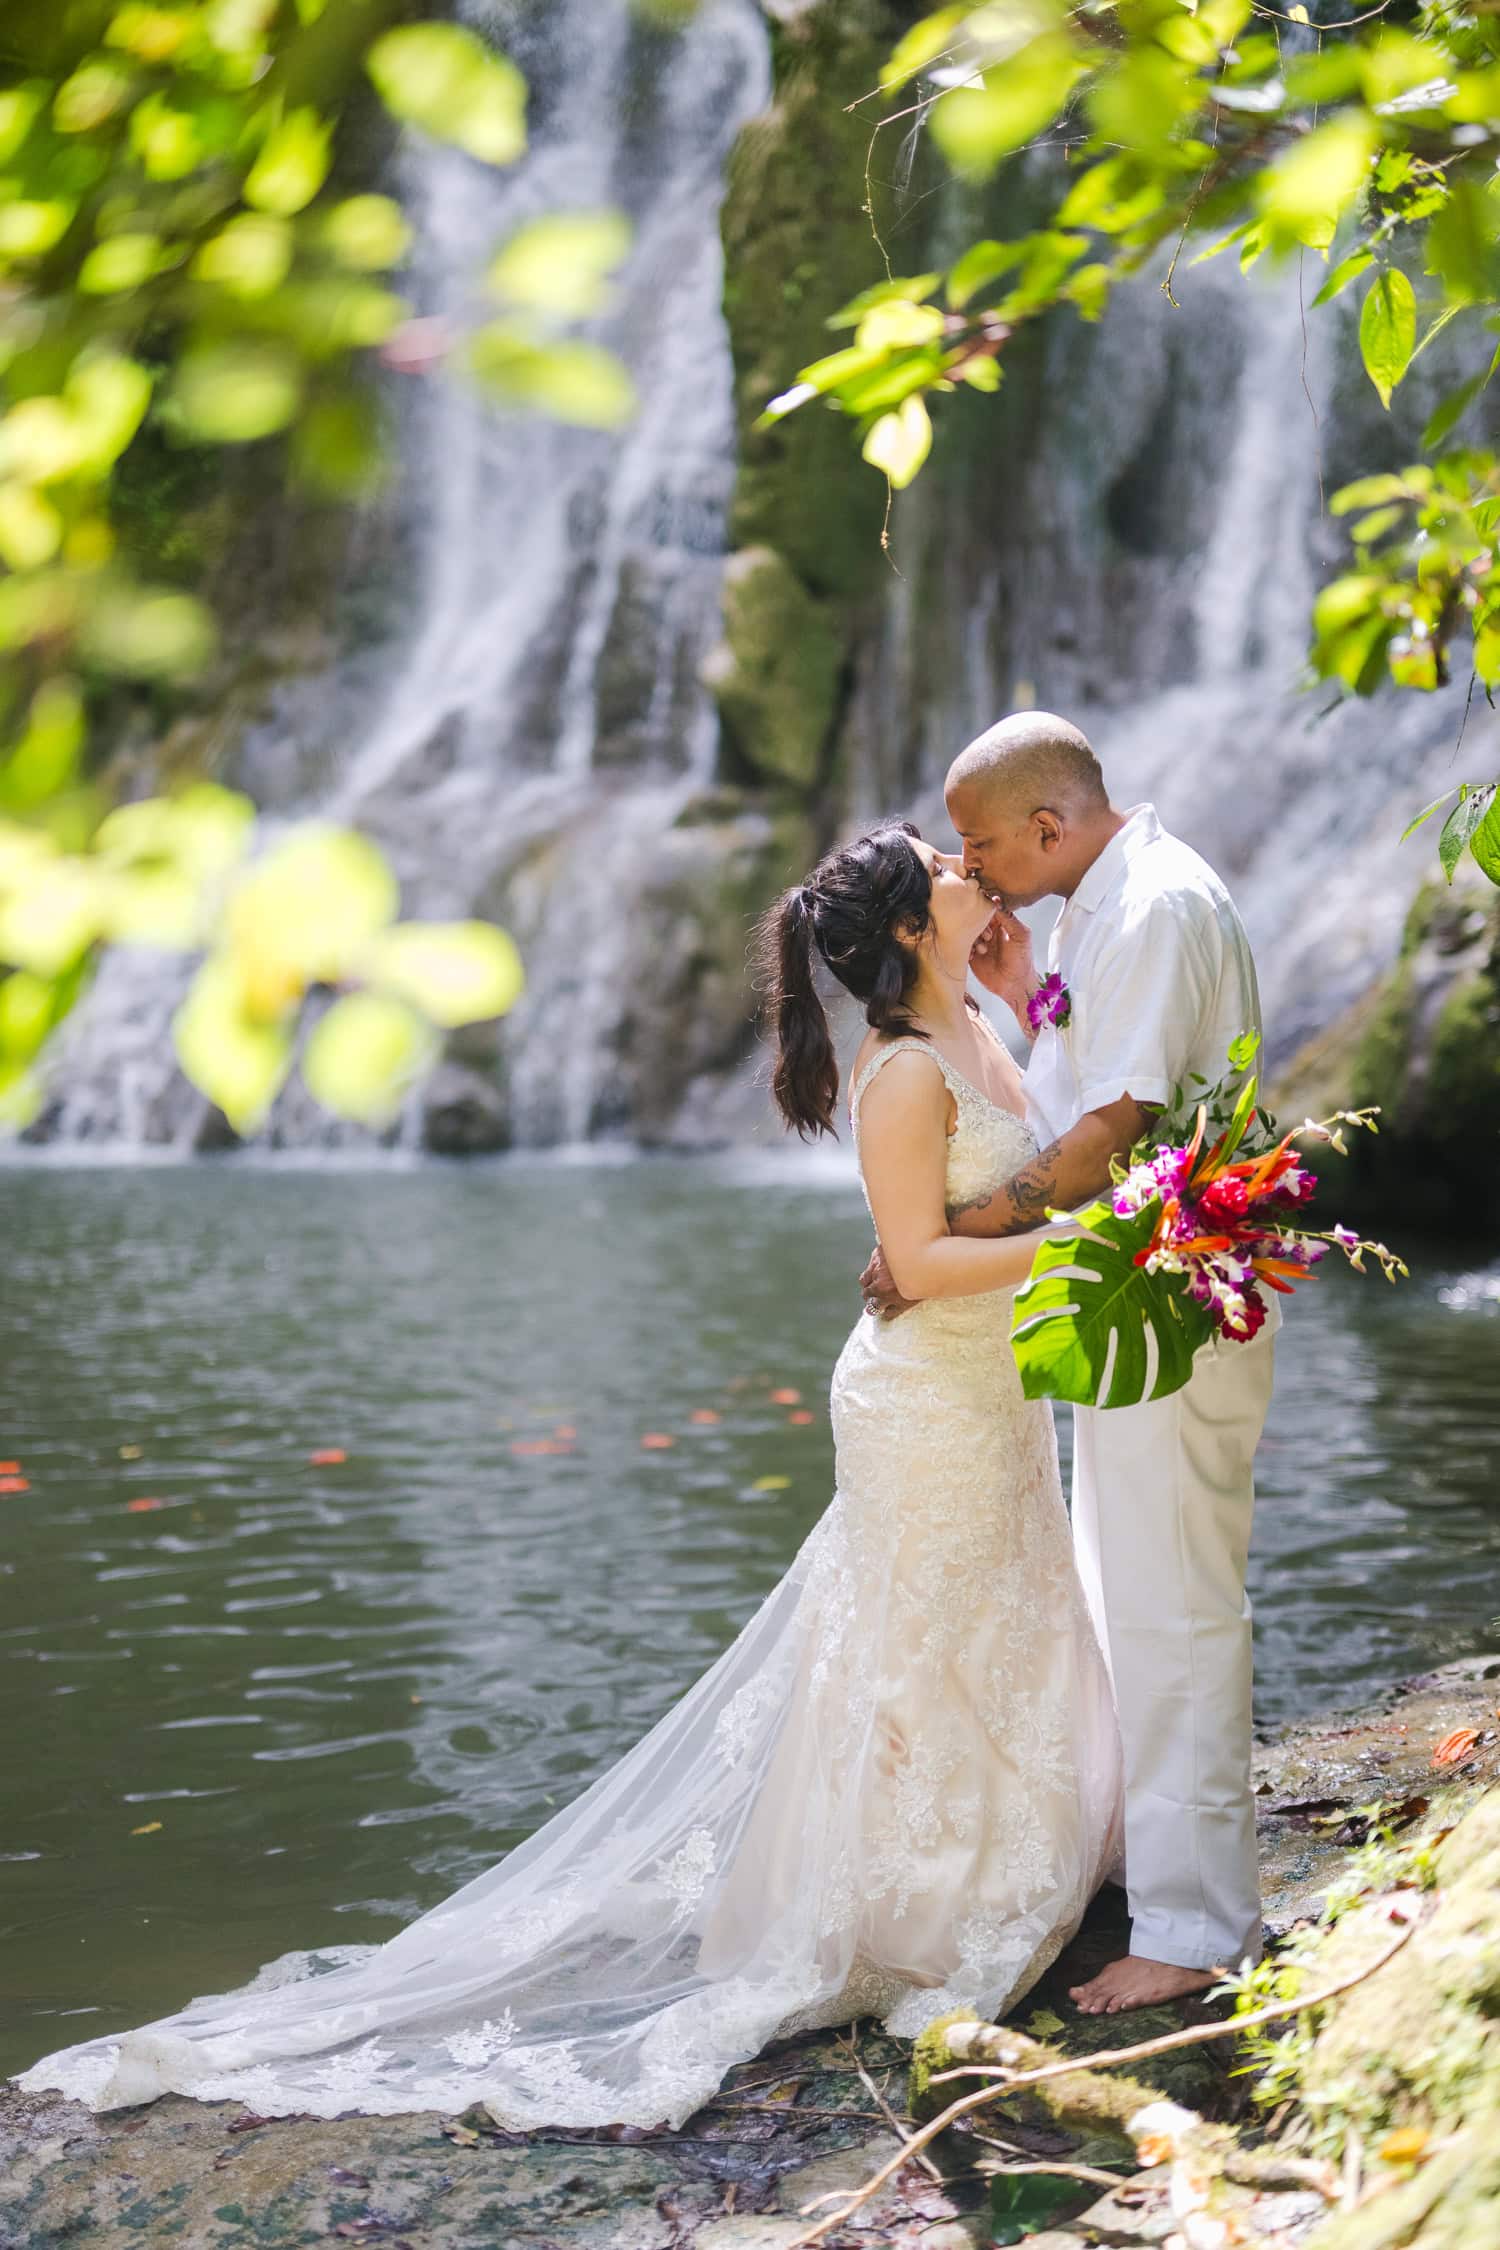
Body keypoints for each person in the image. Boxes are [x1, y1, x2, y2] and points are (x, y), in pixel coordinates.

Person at [17, 821, 1122, 2129]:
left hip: (986, 1385)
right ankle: (918, 1898)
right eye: (942, 862)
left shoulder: (969, 1027)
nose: (965, 865)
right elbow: (922, 1262)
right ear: (902, 926)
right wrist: (1093, 1244)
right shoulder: (897, 1078)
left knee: (994, 1606)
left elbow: (1035, 1163)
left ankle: (1006, 1844)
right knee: (924, 1631)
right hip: (923, 1391)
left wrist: (1003, 1004)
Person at [861, 712, 1271, 2016]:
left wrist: (947, 1232)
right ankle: (1150, 1873)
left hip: (1174, 1302)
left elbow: (1106, 1126)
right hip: (1136, 1301)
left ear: (1050, 825)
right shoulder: (1113, 907)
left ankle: (1196, 1928)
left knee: (1171, 1610)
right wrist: (1036, 976)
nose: (969, 864)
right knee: (1130, 1590)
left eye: (981, 839)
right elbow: (1078, 1059)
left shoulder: (1147, 908)